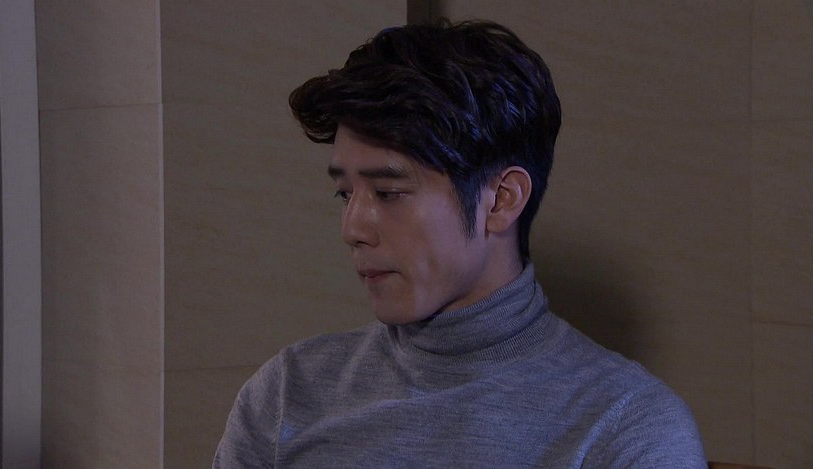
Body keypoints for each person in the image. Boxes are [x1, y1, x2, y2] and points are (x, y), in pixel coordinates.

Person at [214, 19, 705, 468]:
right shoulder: (288, 394)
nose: (352, 228)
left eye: (388, 193)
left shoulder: (626, 426)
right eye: (345, 194)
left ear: (501, 200)